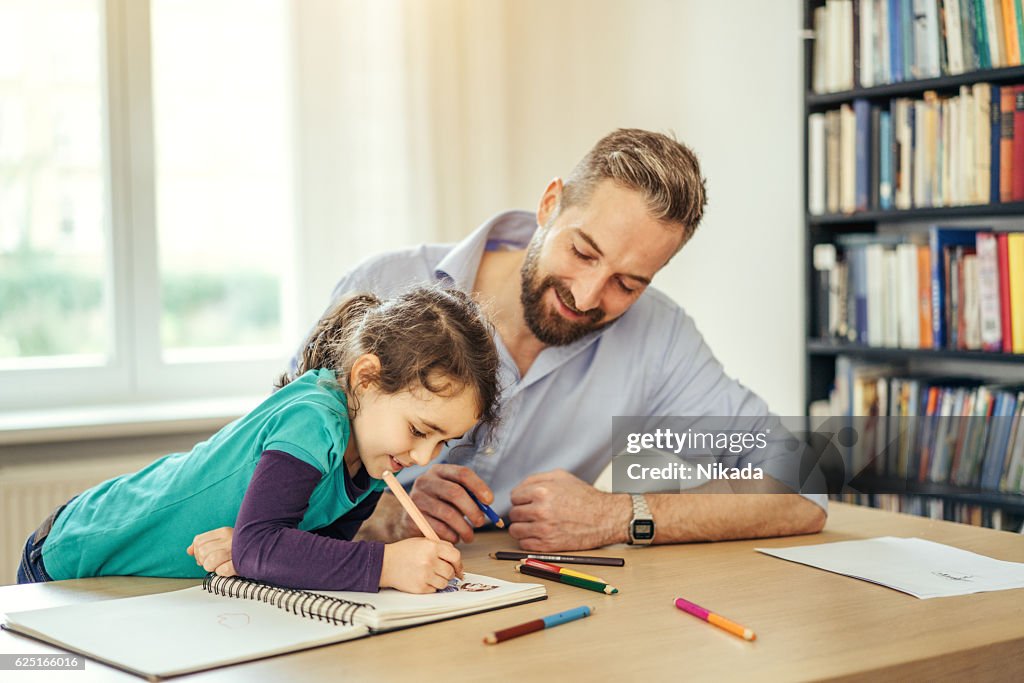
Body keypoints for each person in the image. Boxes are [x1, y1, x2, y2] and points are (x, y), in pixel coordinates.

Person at [190, 128, 826, 570]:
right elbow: (263, 472)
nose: (586, 294)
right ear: (550, 204)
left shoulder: (658, 337)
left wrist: (620, 513)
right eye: (582, 251)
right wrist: (383, 508)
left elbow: (804, 486)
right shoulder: (382, 287)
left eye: (628, 283)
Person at [17, 287, 501, 594]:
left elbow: (301, 552)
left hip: (145, 587)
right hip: (75, 554)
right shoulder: (313, 418)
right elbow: (264, 547)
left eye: (443, 443)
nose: (421, 457)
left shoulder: (375, 461)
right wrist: (387, 565)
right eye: (419, 430)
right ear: (367, 378)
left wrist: (255, 549)